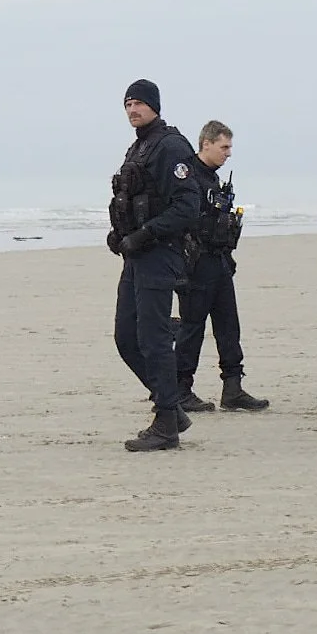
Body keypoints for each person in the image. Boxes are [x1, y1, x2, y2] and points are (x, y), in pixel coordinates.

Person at [106, 79, 201, 452]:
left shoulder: (171, 146)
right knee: (126, 337)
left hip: (160, 255)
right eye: (127, 104)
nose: (133, 109)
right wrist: (119, 235)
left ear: (155, 106)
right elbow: (131, 199)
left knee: (154, 339)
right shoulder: (139, 147)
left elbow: (187, 206)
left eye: (139, 103)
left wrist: (145, 235)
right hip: (137, 257)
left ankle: (165, 424)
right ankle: (171, 408)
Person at [175, 121, 266, 412]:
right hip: (196, 262)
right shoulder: (187, 175)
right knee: (192, 327)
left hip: (218, 260)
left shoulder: (212, 178)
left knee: (229, 326)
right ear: (207, 144)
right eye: (224, 147)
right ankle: (180, 390)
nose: (228, 153)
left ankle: (233, 388)